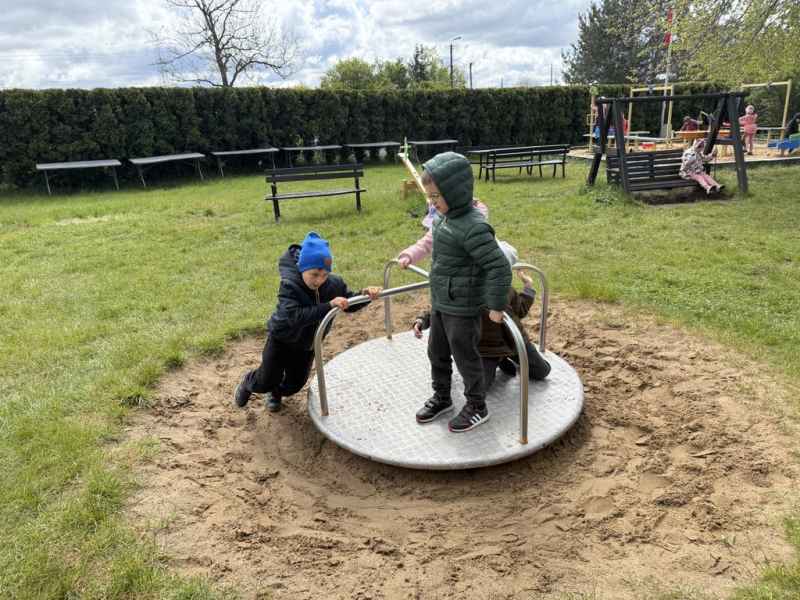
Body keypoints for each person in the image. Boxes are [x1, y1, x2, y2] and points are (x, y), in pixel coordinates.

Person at [412, 152, 512, 433]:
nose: (432, 202)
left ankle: (477, 406)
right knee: (436, 353)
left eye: (436, 196)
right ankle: (442, 396)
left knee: (466, 358)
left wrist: (496, 306)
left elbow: (499, 266)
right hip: (442, 302)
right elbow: (442, 264)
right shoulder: (442, 220)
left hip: (464, 307)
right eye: (429, 197)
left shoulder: (473, 226)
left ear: (455, 192)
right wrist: (431, 308)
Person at [234, 232, 381, 412]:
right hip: (282, 340)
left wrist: (365, 295)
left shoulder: (333, 284)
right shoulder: (290, 285)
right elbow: (293, 316)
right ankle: (248, 383)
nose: (319, 280)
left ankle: (276, 392)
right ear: (303, 267)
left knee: (294, 385)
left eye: (325, 274)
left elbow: (348, 303)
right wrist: (328, 305)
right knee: (266, 380)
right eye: (314, 274)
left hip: (307, 345)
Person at [412, 241, 551, 391]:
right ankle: (498, 361)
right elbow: (442, 307)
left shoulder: (506, 290)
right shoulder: (464, 288)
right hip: (485, 349)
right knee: (480, 387)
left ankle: (504, 358)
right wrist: (422, 321)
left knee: (542, 371)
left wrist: (528, 288)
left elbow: (521, 310)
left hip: (514, 343)